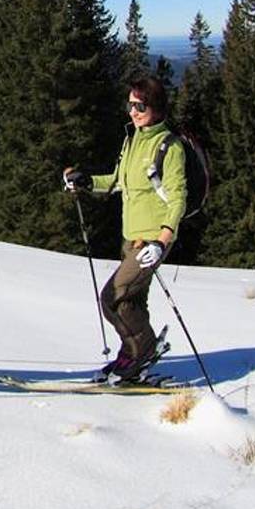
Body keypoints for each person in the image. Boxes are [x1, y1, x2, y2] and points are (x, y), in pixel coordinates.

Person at [64, 74, 187, 381]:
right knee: (131, 301)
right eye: (130, 104)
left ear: (156, 108)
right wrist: (87, 181)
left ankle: (141, 350)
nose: (133, 111)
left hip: (152, 239)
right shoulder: (132, 139)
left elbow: (178, 198)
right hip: (130, 238)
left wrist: (162, 240)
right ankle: (132, 356)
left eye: (140, 105)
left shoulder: (168, 147)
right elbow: (118, 181)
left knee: (112, 296)